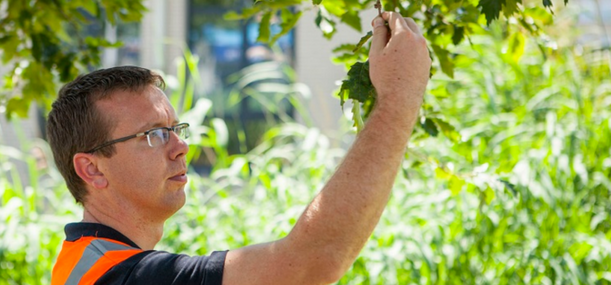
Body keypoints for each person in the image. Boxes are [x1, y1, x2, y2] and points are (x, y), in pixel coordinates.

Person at [48, 11, 431, 285]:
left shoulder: (86, 260)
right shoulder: (119, 276)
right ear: (92, 169)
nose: (181, 146)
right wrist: (398, 95)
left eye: (175, 129)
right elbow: (309, 264)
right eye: (153, 135)